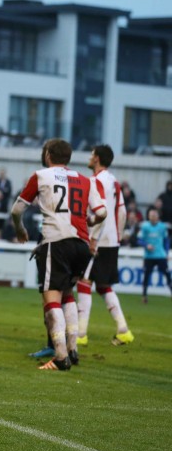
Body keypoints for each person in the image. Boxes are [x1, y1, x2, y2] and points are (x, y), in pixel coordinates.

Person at [11, 139, 106, 371]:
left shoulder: (41, 175)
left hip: (56, 242)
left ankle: (61, 357)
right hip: (81, 245)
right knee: (67, 294)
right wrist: (88, 221)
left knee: (51, 297)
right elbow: (102, 212)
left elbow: (17, 209)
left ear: (48, 155)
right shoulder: (85, 180)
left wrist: (20, 229)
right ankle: (73, 350)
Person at [76, 145, 134, 347]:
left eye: (92, 154)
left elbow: (101, 212)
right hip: (112, 240)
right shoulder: (114, 181)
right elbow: (123, 212)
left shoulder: (96, 181)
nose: (90, 157)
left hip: (98, 241)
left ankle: (80, 334)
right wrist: (115, 236)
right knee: (103, 286)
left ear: (97, 158)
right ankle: (123, 330)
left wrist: (93, 238)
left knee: (84, 282)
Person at [138, 207, 172, 303]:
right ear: (148, 216)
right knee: (146, 275)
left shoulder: (162, 227)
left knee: (167, 274)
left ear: (157, 216)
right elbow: (139, 240)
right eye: (151, 215)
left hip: (160, 255)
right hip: (149, 256)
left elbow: (166, 240)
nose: (152, 217)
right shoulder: (145, 227)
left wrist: (166, 252)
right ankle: (144, 296)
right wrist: (146, 245)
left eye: (154, 215)